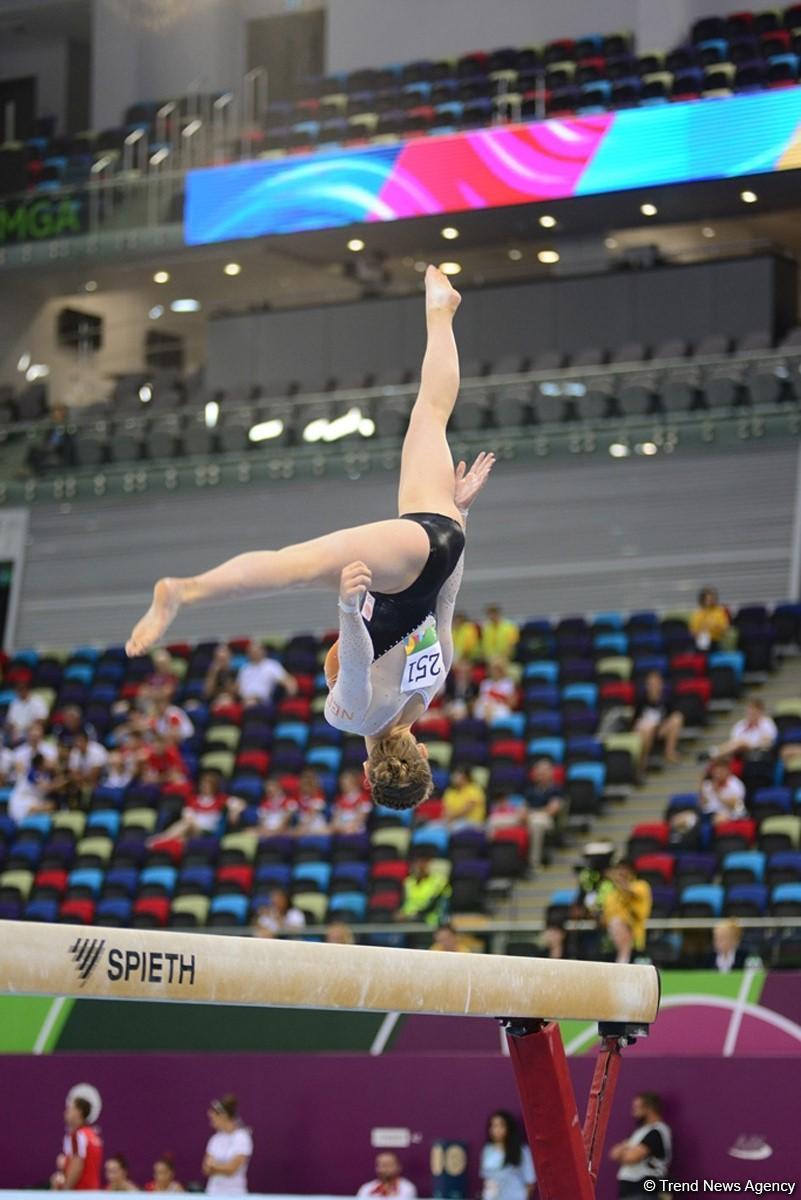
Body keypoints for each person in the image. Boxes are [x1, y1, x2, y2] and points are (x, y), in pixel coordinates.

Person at [125, 267, 495, 814]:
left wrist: (460, 516)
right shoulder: (354, 718)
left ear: (421, 751)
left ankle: (440, 311)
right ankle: (183, 590)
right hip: (400, 570)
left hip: (442, 547)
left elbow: (446, 606)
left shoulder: (429, 690)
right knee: (291, 567)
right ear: (367, 773)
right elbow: (356, 666)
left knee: (431, 414)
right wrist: (347, 606)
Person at [610, 1092, 672, 1198]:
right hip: (630, 1189)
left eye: (637, 1107)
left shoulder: (657, 1131)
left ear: (649, 1108)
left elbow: (632, 1157)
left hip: (643, 1189)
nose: (633, 1112)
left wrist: (626, 1151)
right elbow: (614, 1153)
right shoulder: (640, 1131)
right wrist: (627, 1152)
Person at [602, 860, 652, 964]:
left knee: (617, 922)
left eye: (623, 869)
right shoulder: (613, 893)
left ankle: (623, 958)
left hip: (634, 935)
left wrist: (617, 880)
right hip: (611, 936)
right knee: (615, 922)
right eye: (618, 870)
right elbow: (606, 915)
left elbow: (631, 892)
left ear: (631, 871)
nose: (620, 873)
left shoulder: (641, 885)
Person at [632, 670, 684, 770]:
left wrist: (660, 726)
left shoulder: (666, 700)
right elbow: (635, 721)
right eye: (651, 684)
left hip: (659, 730)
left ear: (661, 684)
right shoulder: (641, 700)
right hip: (644, 731)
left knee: (677, 718)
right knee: (648, 728)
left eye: (656, 683)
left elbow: (670, 715)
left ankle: (669, 752)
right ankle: (643, 761)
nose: (653, 686)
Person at [479, 1110, 535, 1200]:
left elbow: (530, 1181)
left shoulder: (522, 1151)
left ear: (509, 1127)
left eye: (501, 1125)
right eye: (494, 1126)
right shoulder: (487, 1150)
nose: (497, 1130)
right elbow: (487, 1178)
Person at [51, 1096, 104, 1191]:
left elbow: (77, 1166)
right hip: (93, 1192)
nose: (65, 1112)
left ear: (79, 1112)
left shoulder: (77, 1135)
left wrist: (65, 1190)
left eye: (69, 1109)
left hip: (79, 1192)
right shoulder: (92, 1135)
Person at [202, 1095, 252, 1195]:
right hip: (212, 1192)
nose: (211, 1122)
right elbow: (206, 1168)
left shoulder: (242, 1137)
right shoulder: (215, 1139)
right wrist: (222, 1167)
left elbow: (232, 1169)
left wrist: (214, 1166)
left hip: (235, 1194)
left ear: (223, 1116)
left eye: (213, 1118)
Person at [524, 758, 566, 868]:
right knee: (497, 821)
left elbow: (551, 810)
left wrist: (532, 813)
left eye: (543, 773)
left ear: (550, 774)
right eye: (538, 773)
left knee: (536, 824)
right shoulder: (530, 791)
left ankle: (534, 862)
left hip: (547, 821)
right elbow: (523, 809)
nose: (540, 775)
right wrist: (526, 814)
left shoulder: (556, 790)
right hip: (530, 817)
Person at [710, 698, 778, 761]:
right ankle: (716, 754)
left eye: (753, 713)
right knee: (737, 745)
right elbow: (733, 741)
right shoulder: (741, 724)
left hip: (757, 750)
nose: (750, 716)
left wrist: (751, 744)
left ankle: (716, 752)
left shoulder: (766, 723)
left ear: (760, 713)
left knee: (740, 743)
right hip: (739, 751)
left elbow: (768, 741)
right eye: (749, 713)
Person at [237, 642, 297, 706]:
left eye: (256, 651)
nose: (254, 654)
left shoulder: (272, 665)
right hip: (244, 700)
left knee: (251, 703)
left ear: (263, 652)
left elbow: (287, 680)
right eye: (251, 652)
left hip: (262, 701)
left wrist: (290, 695)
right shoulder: (245, 668)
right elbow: (238, 686)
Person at [396, 854, 450, 926]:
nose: (419, 868)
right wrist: (400, 913)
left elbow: (435, 904)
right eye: (417, 865)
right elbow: (403, 902)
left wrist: (417, 915)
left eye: (423, 866)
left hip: (429, 920)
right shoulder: (408, 882)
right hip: (408, 920)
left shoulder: (439, 882)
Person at [699, 759, 747, 823]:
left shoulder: (736, 784)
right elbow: (702, 804)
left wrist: (717, 792)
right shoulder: (708, 784)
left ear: (728, 771)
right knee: (687, 818)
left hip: (729, 813)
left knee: (718, 819)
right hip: (708, 813)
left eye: (721, 772)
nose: (717, 775)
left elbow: (736, 805)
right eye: (716, 772)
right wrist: (702, 790)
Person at [473, 658, 517, 722]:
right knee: (480, 710)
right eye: (493, 669)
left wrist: (498, 701)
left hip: (501, 708)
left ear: (502, 670)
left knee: (500, 712)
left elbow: (512, 703)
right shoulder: (485, 683)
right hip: (486, 707)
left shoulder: (508, 683)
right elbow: (482, 699)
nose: (495, 672)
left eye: (497, 669)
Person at [690, 586, 730, 651]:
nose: (710, 601)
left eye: (712, 599)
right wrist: (702, 628)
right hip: (701, 641)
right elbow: (693, 631)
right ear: (703, 600)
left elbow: (725, 628)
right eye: (708, 599)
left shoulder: (719, 611)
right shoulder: (699, 613)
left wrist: (715, 625)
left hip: (715, 640)